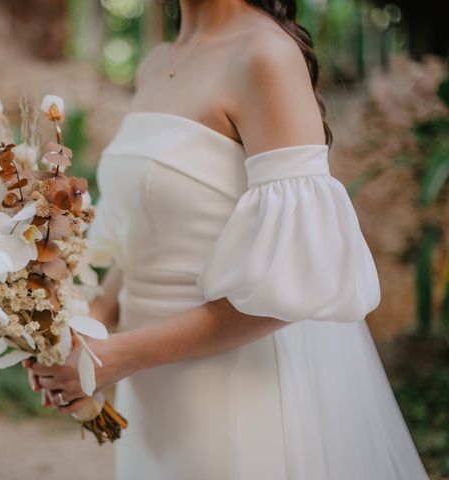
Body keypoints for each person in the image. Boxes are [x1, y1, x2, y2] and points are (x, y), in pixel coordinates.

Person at [25, 0, 430, 478]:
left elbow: (298, 279)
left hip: (234, 385)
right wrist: (85, 331)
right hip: (149, 390)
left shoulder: (266, 56)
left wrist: (116, 356)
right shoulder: (157, 62)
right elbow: (143, 238)